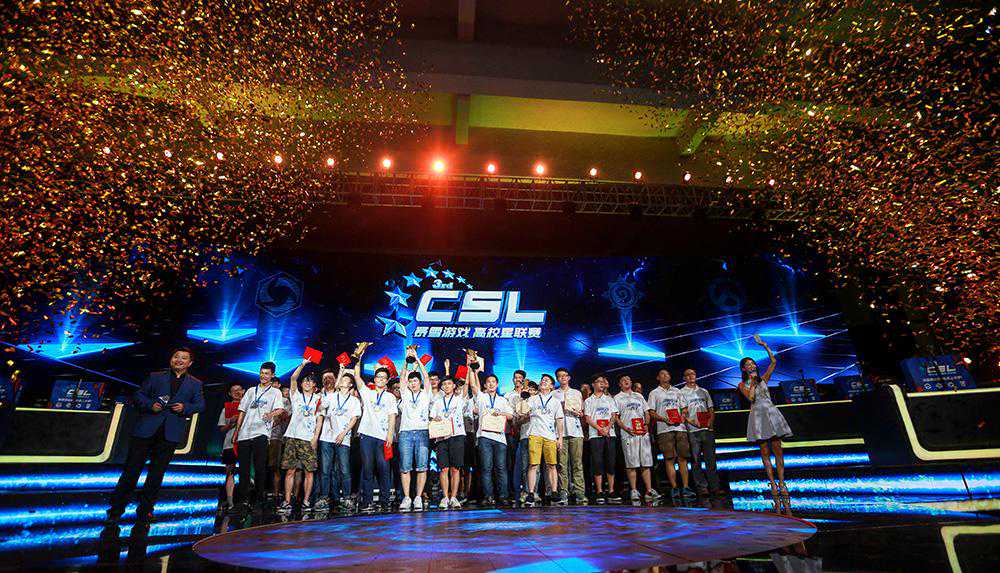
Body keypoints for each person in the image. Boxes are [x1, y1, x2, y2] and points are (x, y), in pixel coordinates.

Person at [105, 347, 205, 530]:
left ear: (190, 363)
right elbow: (139, 395)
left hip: (170, 434)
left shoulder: (195, 384)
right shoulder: (155, 377)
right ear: (171, 359)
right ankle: (115, 512)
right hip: (146, 430)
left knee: (156, 475)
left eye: (184, 358)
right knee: (131, 471)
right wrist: (151, 404)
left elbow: (200, 404)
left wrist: (185, 408)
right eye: (176, 356)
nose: (179, 360)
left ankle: (145, 512)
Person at [738, 336, 792, 509]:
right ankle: (772, 484)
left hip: (771, 413)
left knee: (778, 450)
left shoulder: (764, 378)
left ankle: (782, 483)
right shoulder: (742, 384)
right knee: (765, 452)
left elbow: (774, 362)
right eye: (748, 364)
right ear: (744, 369)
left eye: (752, 363)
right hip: (758, 416)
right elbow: (750, 398)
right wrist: (753, 384)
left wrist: (765, 346)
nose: (751, 365)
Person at [232, 362, 286, 514]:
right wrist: (237, 431)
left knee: (260, 468)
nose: (263, 376)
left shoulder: (275, 392)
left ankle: (258, 500)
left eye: (267, 373)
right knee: (243, 469)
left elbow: (280, 409)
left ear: (273, 375)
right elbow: (242, 410)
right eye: (262, 373)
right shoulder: (251, 391)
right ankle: (243, 501)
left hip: (261, 433)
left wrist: (271, 414)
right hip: (244, 433)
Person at [352, 344, 398, 512]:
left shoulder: (390, 397)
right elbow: (356, 376)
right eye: (378, 377)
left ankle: (385, 501)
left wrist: (390, 435)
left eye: (383, 378)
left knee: (384, 469)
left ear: (386, 381)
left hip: (383, 437)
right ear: (375, 378)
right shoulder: (367, 393)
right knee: (367, 468)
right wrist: (359, 357)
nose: (380, 379)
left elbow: (392, 416)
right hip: (367, 435)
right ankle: (367, 501)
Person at [468, 352, 514, 506]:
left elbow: (511, 416)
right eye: (488, 382)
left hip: (500, 438)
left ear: (497, 384)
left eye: (494, 382)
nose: (491, 384)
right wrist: (472, 370)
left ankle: (503, 496)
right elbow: (473, 386)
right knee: (486, 468)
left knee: (501, 468)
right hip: (484, 437)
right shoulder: (481, 397)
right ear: (485, 385)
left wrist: (500, 413)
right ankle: (488, 496)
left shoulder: (502, 400)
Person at [280, 361, 324, 513]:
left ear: (315, 385)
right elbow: (293, 378)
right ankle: (287, 501)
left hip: (308, 438)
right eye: (305, 380)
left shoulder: (318, 399)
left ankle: (306, 501)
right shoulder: (296, 396)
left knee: (309, 472)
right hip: (292, 437)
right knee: (290, 471)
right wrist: (302, 365)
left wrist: (315, 438)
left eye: (310, 381)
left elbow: (320, 419)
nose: (307, 383)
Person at [647, 368, 695, 500]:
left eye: (667, 374)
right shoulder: (654, 393)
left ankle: (686, 487)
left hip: (680, 428)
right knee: (669, 458)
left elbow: (684, 408)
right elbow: (651, 412)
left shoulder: (677, 391)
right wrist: (664, 419)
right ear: (658, 378)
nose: (665, 376)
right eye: (662, 374)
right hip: (664, 429)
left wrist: (683, 415)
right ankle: (674, 488)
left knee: (683, 458)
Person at [317, 367, 360, 512]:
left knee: (344, 470)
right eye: (341, 379)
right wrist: (323, 405)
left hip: (343, 438)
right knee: (325, 469)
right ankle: (324, 497)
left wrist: (343, 433)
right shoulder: (331, 396)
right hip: (327, 437)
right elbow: (321, 407)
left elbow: (354, 419)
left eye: (345, 379)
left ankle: (347, 498)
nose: (342, 381)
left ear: (350, 385)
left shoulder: (354, 401)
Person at [397, 345, 433, 512]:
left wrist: (417, 358)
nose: (412, 383)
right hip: (405, 433)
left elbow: (426, 376)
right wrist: (407, 361)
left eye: (415, 381)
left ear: (419, 383)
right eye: (410, 381)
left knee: (422, 467)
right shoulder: (405, 393)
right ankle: (406, 497)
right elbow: (402, 377)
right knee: (405, 467)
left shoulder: (426, 394)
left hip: (422, 432)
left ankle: (418, 497)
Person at [614, 375, 659, 503]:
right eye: (623, 380)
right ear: (620, 384)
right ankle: (634, 490)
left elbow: (646, 412)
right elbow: (616, 417)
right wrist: (626, 428)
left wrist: (646, 425)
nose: (626, 381)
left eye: (628, 379)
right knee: (631, 463)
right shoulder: (617, 398)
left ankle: (649, 490)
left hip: (642, 433)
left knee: (646, 462)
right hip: (628, 434)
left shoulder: (639, 396)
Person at [524, 373, 564, 507]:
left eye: (546, 380)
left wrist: (560, 438)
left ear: (552, 386)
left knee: (552, 465)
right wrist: (524, 396)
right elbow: (522, 411)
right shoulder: (533, 399)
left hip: (550, 436)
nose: (543, 381)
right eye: (542, 380)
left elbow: (559, 420)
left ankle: (554, 492)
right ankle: (530, 493)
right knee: (533, 465)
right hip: (534, 434)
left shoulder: (555, 402)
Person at [680, 368, 720, 496]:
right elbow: (682, 413)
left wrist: (710, 424)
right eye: (688, 374)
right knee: (696, 461)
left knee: (711, 460)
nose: (691, 376)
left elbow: (711, 409)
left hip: (707, 429)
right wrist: (692, 423)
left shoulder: (704, 391)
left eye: (693, 374)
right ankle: (702, 487)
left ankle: (715, 487)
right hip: (692, 431)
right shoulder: (681, 393)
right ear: (684, 378)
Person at [430, 375, 466, 509]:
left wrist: (470, 370)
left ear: (454, 386)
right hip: (442, 437)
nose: (446, 386)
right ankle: (445, 497)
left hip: (457, 436)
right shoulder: (438, 402)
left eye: (449, 384)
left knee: (455, 468)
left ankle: (454, 497)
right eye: (444, 384)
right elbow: (432, 417)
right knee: (444, 468)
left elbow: (467, 387)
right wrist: (435, 419)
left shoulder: (459, 400)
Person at [584, 375, 620, 504]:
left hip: (609, 434)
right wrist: (600, 428)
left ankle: (611, 490)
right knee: (597, 462)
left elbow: (614, 415)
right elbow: (588, 418)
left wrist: (608, 428)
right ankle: (599, 491)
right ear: (593, 384)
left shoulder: (609, 399)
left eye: (603, 382)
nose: (601, 384)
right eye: (598, 382)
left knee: (610, 462)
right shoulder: (588, 401)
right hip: (595, 435)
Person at [555, 367, 586, 506]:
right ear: (557, 379)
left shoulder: (576, 393)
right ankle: (563, 491)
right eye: (560, 376)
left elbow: (581, 412)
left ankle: (580, 492)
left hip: (576, 431)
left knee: (577, 463)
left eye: (565, 375)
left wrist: (578, 412)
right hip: (560, 433)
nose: (563, 377)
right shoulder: (553, 394)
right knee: (562, 465)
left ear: (569, 378)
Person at [217, 383, 244, 511]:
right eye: (234, 391)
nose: (237, 392)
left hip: (246, 442)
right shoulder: (225, 409)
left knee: (246, 471)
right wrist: (231, 423)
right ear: (230, 394)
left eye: (239, 390)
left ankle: (245, 500)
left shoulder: (249, 407)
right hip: (230, 444)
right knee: (230, 471)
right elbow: (222, 429)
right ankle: (230, 501)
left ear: (243, 391)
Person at [512, 379, 538, 504]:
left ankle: (534, 492)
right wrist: (524, 417)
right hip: (524, 437)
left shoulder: (539, 403)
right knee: (525, 466)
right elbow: (515, 423)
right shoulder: (520, 404)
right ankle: (526, 492)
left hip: (537, 436)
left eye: (533, 390)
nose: (530, 392)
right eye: (528, 389)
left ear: (536, 392)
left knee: (536, 466)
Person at [267, 382, 292, 502]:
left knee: (276, 466)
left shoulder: (284, 401)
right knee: (267, 465)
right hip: (265, 436)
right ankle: (269, 491)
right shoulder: (266, 398)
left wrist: (276, 414)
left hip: (277, 437)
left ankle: (276, 493)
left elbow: (286, 415)